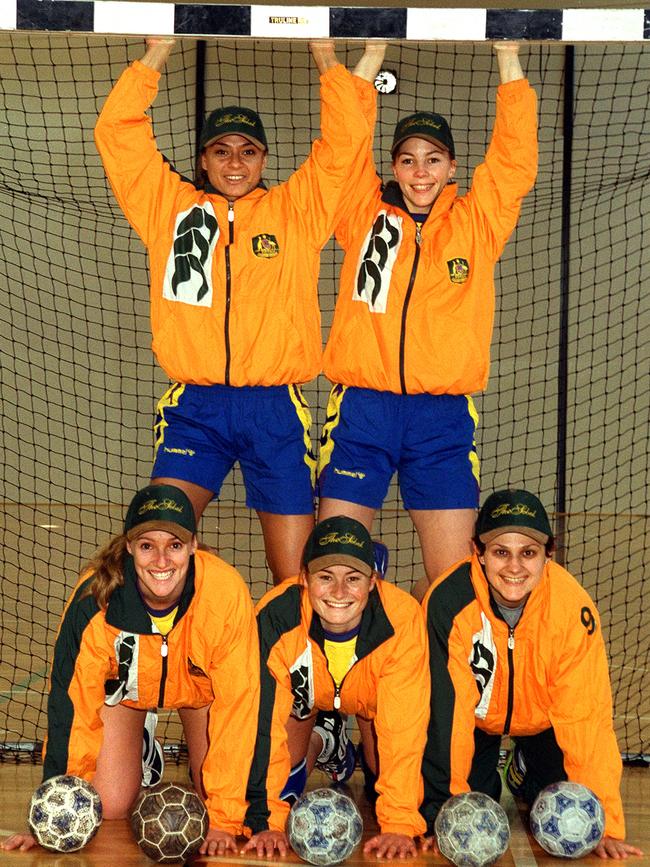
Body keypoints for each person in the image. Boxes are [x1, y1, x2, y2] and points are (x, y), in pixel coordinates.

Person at [94, 38, 386, 584]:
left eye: (247, 150)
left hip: (275, 412)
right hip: (195, 410)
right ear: (202, 159)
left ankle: (291, 665)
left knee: (299, 576)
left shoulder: (295, 211)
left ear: (264, 160)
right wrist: (157, 51)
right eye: (221, 150)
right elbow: (116, 131)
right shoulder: (168, 207)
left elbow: (344, 144)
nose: (234, 162)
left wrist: (327, 58)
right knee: (155, 549)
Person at [317, 43, 538, 600]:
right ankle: (363, 610)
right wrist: (367, 53)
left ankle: (404, 613)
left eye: (433, 159)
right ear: (393, 166)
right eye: (409, 159)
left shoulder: (477, 224)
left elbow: (513, 161)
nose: (420, 171)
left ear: (452, 168)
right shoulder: (362, 215)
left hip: (440, 419)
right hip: (362, 410)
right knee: (332, 571)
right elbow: (344, 144)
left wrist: (508, 57)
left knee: (454, 585)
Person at [1, 484, 259, 857]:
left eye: (173, 545)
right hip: (127, 689)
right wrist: (55, 808)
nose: (161, 560)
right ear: (128, 548)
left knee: (211, 790)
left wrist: (225, 819)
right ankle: (140, 744)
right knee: (108, 804)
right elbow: (70, 707)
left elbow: (239, 708)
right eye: (146, 545)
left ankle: (176, 764)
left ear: (192, 546)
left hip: (201, 691)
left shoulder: (224, 593)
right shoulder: (96, 599)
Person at [420, 488, 643, 860]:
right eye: (501, 552)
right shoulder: (448, 602)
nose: (514, 567)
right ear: (478, 552)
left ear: (548, 555)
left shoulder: (572, 609)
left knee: (556, 792)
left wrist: (605, 823)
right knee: (476, 799)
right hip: (476, 723)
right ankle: (492, 772)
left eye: (528, 553)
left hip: (544, 724)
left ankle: (523, 766)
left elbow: (586, 719)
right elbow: (447, 715)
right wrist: (441, 812)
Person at [242, 515, 430, 860]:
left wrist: (400, 824)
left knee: (381, 777)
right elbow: (262, 724)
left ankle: (343, 740)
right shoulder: (276, 616)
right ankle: (326, 739)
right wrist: (265, 818)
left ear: (373, 582)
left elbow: (404, 729)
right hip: (307, 695)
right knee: (286, 787)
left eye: (353, 578)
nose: (340, 592)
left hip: (372, 701)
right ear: (304, 578)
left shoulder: (402, 618)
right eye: (325, 577)